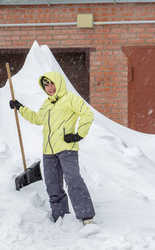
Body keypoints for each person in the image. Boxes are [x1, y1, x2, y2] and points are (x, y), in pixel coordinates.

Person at [9, 71, 95, 226]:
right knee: (52, 185)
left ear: (59, 82)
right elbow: (37, 119)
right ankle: (60, 217)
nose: (49, 87)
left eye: (52, 83)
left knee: (73, 180)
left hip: (66, 148)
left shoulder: (70, 99)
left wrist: (78, 135)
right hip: (48, 151)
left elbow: (87, 114)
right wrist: (20, 108)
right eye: (46, 84)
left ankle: (86, 217)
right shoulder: (47, 104)